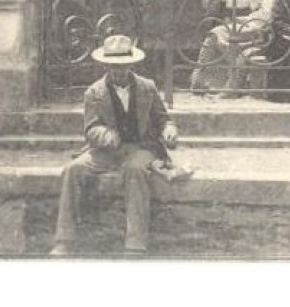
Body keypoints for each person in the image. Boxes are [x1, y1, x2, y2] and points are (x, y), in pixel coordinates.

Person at [52, 35, 188, 256]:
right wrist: (105, 135)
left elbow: (163, 119)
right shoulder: (94, 93)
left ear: (131, 64)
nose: (119, 72)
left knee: (134, 170)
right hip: (107, 150)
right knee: (72, 169)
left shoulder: (147, 87)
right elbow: (91, 128)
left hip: (141, 147)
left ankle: (135, 244)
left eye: (123, 67)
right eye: (114, 67)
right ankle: (64, 239)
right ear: (106, 65)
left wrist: (169, 131)